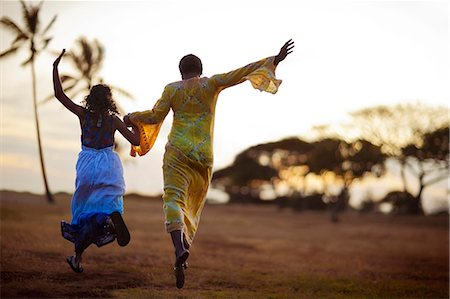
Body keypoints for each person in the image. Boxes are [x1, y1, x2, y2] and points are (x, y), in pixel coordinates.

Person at [125, 40, 294, 288]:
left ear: (180, 72)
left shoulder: (172, 89)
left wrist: (131, 117)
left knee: (173, 199)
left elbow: (154, 116)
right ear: (200, 70)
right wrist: (275, 59)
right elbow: (242, 71)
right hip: (203, 155)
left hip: (177, 153)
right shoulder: (211, 84)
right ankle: (183, 251)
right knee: (192, 205)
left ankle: (179, 246)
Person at [53, 49, 140, 273]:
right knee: (109, 203)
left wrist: (55, 69)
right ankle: (111, 222)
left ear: (90, 99)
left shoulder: (84, 115)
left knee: (84, 210)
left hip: (87, 164)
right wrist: (137, 123)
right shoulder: (113, 120)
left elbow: (60, 96)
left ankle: (77, 258)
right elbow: (135, 140)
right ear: (109, 100)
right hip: (108, 165)